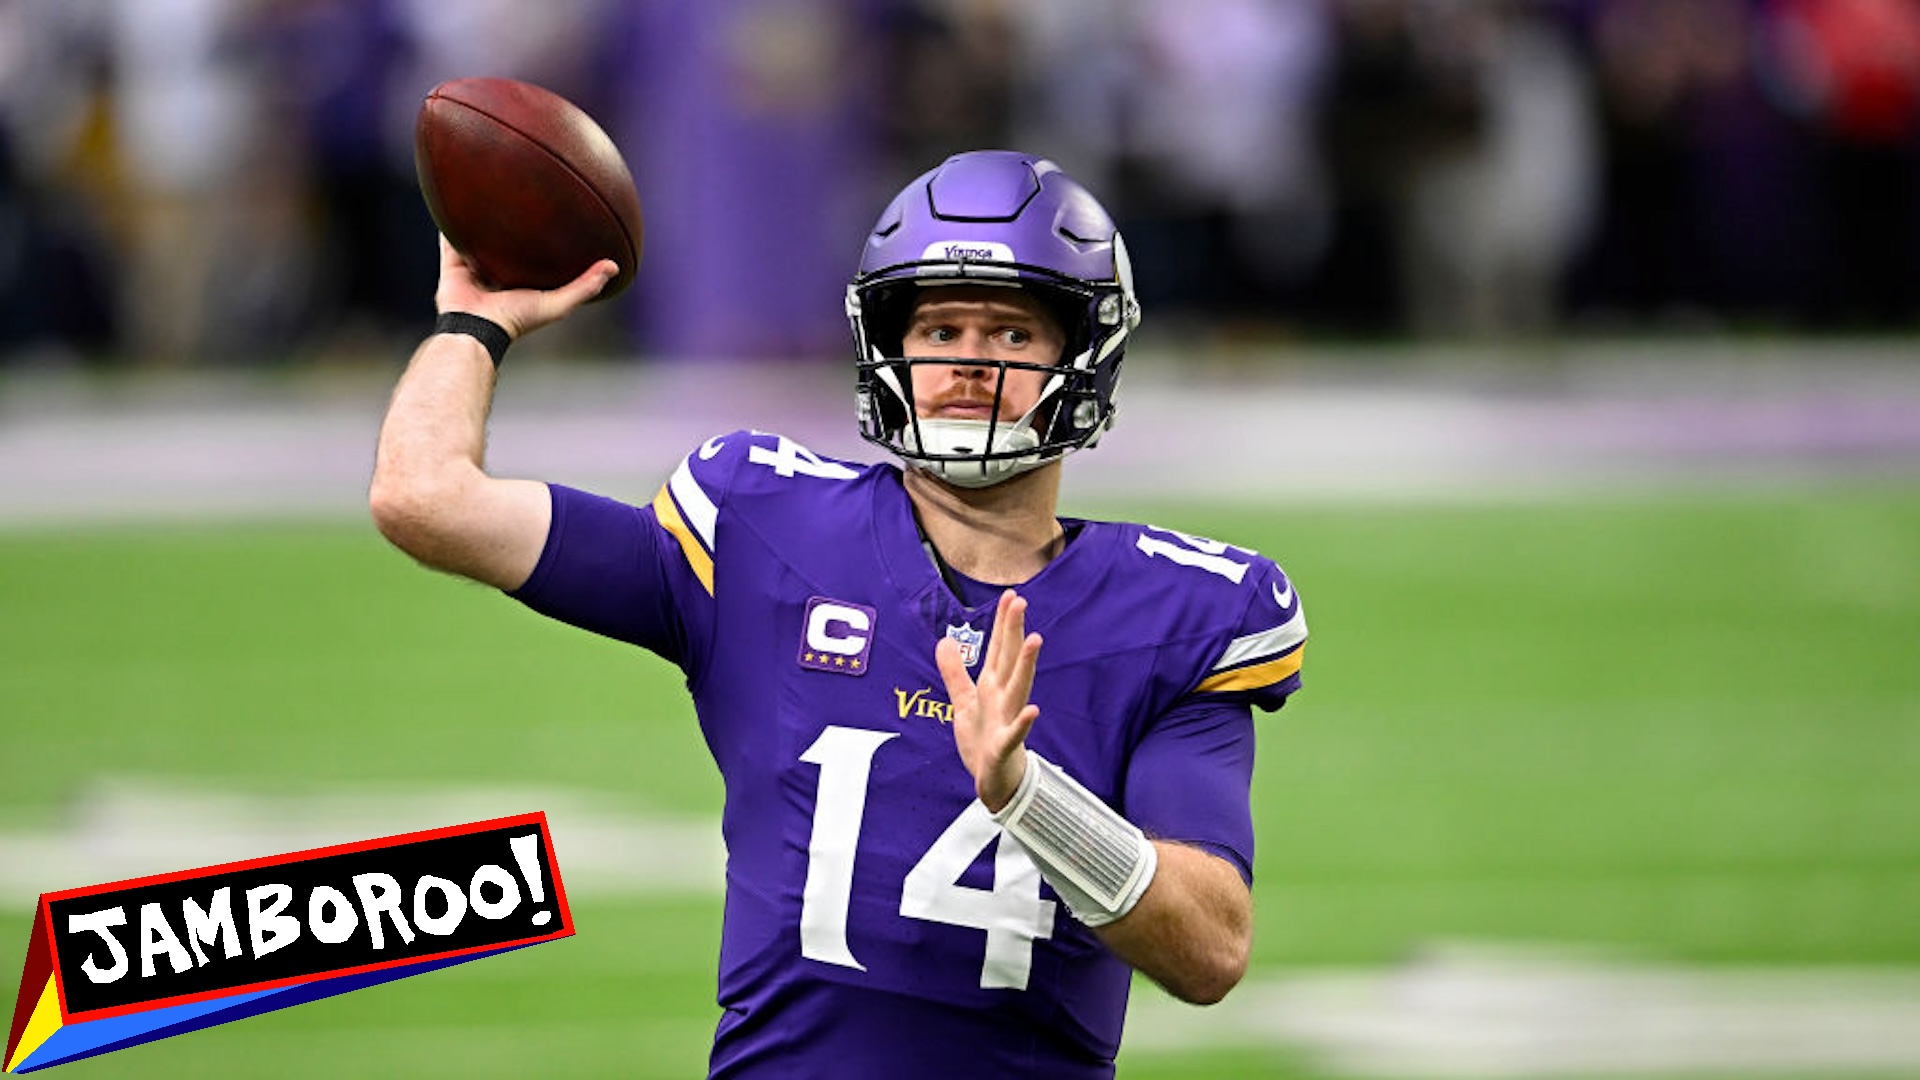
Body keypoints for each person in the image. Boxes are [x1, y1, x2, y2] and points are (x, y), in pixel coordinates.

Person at [371, 150, 1307, 1078]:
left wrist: (1031, 797)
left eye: (1013, 335)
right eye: (939, 331)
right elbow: (423, 498)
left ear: (1086, 353)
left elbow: (1211, 950)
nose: (970, 364)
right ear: (886, 343)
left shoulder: (1179, 613)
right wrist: (473, 324)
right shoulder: (759, 528)